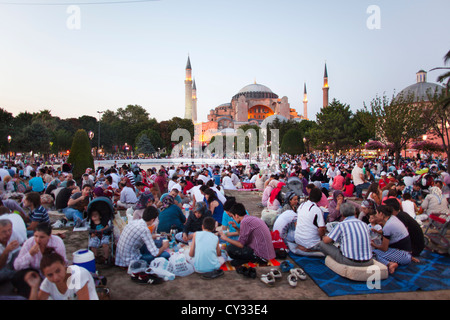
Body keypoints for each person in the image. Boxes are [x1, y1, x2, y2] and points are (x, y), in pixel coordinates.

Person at [12, 222, 67, 298]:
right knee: (19, 277)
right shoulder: (29, 243)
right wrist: (30, 254)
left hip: (51, 272)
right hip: (35, 271)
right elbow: (17, 266)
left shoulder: (57, 243)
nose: (38, 240)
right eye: (36, 236)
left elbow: (62, 263)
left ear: (49, 236)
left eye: (42, 237)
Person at [25, 248, 98, 300]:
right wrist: (34, 287)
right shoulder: (48, 283)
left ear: (64, 264)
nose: (55, 277)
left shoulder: (78, 275)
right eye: (50, 275)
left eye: (58, 271)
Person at [219, 202, 275, 267]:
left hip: (261, 255)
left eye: (233, 217)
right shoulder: (249, 218)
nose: (233, 219)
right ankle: (246, 258)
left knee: (230, 248)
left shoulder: (244, 222)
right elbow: (242, 235)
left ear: (236, 216)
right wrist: (236, 228)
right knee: (235, 245)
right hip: (267, 251)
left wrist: (226, 238)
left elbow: (241, 244)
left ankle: (250, 259)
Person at [371, 205, 412, 274]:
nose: (376, 215)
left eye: (377, 213)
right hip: (406, 253)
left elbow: (384, 248)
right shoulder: (393, 218)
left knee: (372, 253)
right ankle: (392, 262)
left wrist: (373, 244)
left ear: (381, 214)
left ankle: (389, 264)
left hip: (404, 255)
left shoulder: (388, 226)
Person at [292, 187, 326, 257]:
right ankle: (310, 250)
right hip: (311, 244)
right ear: (320, 198)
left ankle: (305, 248)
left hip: (298, 240)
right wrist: (322, 238)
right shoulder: (317, 210)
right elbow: (322, 229)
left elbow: (297, 223)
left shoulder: (301, 205)